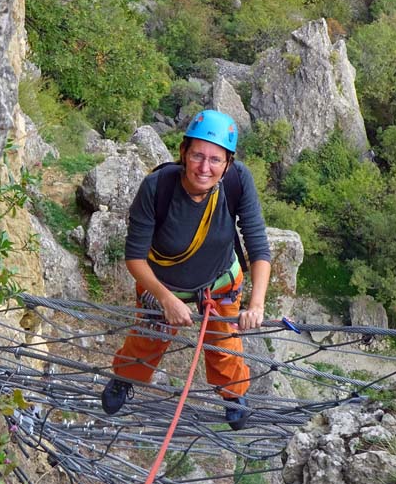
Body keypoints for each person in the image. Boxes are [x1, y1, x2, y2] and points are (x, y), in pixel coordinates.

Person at [101, 109, 271, 430]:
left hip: (219, 278)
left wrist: (257, 303)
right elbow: (135, 258)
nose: (204, 168)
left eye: (215, 160)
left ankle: (234, 395)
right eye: (197, 156)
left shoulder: (237, 181)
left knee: (224, 342)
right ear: (183, 152)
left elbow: (258, 245)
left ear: (228, 163)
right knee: (147, 339)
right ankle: (125, 379)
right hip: (165, 283)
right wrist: (165, 299)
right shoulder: (157, 188)